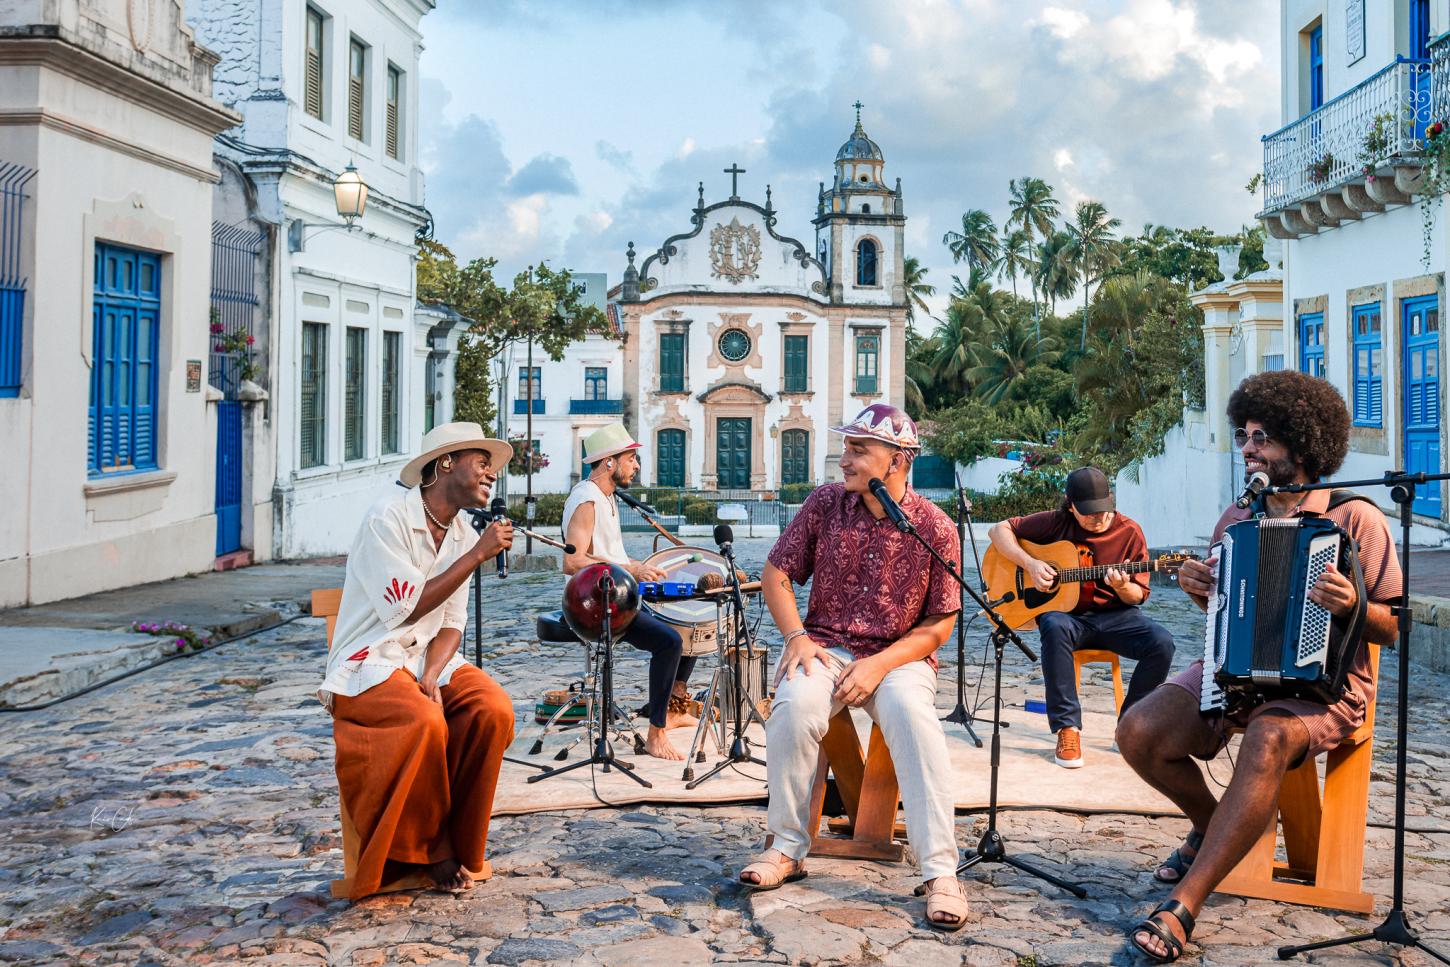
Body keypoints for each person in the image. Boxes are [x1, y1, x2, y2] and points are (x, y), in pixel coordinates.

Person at [1117, 371, 1400, 963]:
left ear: (1302, 444)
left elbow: (1394, 626)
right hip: (1232, 673)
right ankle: (1212, 825)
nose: (1248, 448)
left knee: (1268, 736)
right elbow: (1227, 612)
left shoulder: (1357, 520)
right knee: (1137, 730)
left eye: (1262, 437)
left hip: (1329, 688)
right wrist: (1201, 590)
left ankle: (1184, 906)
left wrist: (1354, 607)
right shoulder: (1236, 520)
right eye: (1244, 435)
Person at [736, 403, 970, 931]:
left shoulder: (935, 527)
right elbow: (776, 573)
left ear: (898, 460)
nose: (843, 459)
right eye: (845, 447)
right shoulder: (824, 504)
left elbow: (939, 625)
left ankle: (941, 872)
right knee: (793, 708)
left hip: (899, 655)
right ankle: (787, 848)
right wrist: (795, 637)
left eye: (857, 449)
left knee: (914, 720)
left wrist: (880, 665)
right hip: (823, 646)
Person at [319, 422, 517, 899]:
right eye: (482, 461)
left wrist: (432, 672)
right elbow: (406, 608)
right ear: (446, 463)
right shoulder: (385, 518)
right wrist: (477, 555)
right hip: (369, 664)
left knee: (493, 709)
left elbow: (452, 621)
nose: (492, 473)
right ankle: (430, 851)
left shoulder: (463, 531)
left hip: (426, 660)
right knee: (424, 720)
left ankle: (466, 844)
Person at [988, 466, 1175, 769]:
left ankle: (1129, 726)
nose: (1097, 518)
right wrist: (1032, 564)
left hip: (1117, 617)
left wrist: (1122, 585)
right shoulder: (1056, 522)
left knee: (1162, 644)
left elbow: (1138, 596)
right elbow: (999, 530)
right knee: (1051, 622)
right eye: (1087, 512)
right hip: (1070, 619)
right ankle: (1067, 729)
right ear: (1070, 504)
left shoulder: (1129, 531)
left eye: (1102, 510)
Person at [563, 422, 697, 760]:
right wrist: (630, 570)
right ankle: (656, 733)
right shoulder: (587, 499)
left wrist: (645, 568)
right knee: (670, 641)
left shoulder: (606, 498)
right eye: (631, 459)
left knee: (689, 622)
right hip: (593, 605)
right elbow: (573, 561)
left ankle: (670, 708)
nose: (636, 466)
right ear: (609, 461)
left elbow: (613, 556)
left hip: (616, 594)